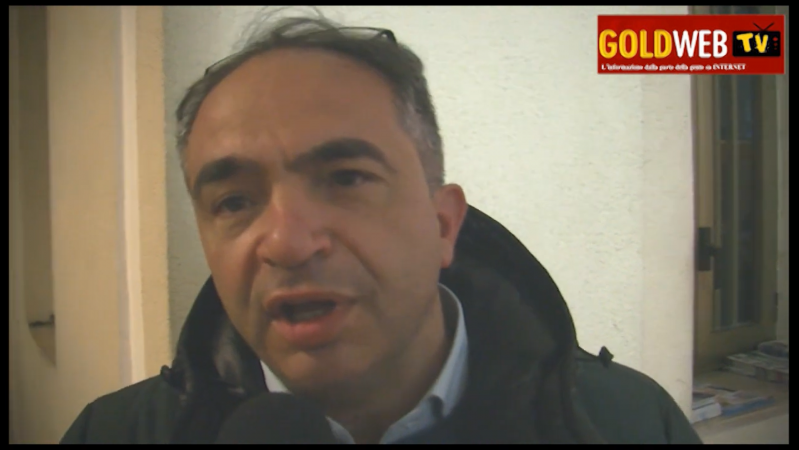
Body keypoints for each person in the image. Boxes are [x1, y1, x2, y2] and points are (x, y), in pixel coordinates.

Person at [61, 10, 702, 445]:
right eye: (233, 202)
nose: (287, 242)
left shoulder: (628, 424)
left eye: (345, 179)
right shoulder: (112, 433)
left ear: (443, 224)